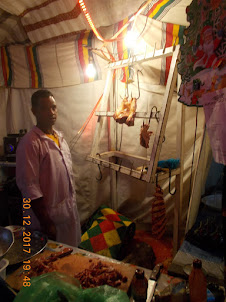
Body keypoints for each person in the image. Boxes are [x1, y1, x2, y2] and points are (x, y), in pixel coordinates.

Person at [16, 90, 81, 247]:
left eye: (54, 107)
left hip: (68, 214)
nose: (51, 112)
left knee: (71, 258)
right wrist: (46, 223)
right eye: (45, 108)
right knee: (51, 263)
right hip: (47, 221)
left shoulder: (60, 138)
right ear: (34, 111)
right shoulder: (30, 143)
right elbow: (29, 187)